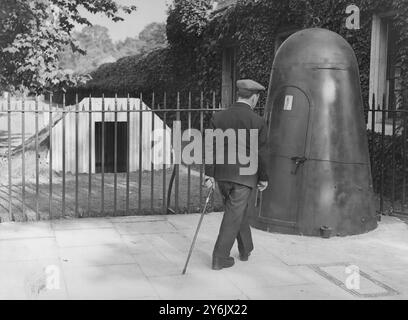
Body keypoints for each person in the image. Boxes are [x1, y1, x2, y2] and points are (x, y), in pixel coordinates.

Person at [204, 79, 269, 271]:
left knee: (235, 213)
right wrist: (264, 177)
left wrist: (209, 174)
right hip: (244, 177)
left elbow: (210, 148)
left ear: (239, 95)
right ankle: (219, 257)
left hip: (222, 175)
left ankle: (245, 248)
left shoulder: (218, 117)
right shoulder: (258, 121)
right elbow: (262, 153)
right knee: (233, 215)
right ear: (255, 98)